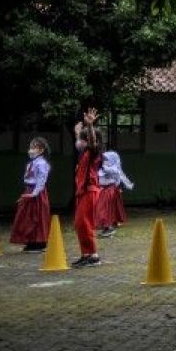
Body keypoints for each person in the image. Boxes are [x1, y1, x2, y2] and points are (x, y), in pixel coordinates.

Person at [71, 108, 103, 268]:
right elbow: (82, 144)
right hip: (82, 192)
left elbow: (91, 142)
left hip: (90, 191)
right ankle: (86, 254)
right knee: (79, 223)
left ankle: (94, 255)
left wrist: (90, 126)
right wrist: (78, 133)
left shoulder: (92, 152)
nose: (80, 142)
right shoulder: (84, 153)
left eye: (82, 140)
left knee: (84, 222)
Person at [11, 137, 51, 253]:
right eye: (30, 147)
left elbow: (41, 179)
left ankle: (39, 243)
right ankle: (30, 241)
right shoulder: (33, 163)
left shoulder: (42, 163)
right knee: (26, 217)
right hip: (29, 190)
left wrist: (35, 193)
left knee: (37, 217)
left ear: (41, 150)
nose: (31, 150)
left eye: (34, 148)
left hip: (37, 193)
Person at [96, 150, 133, 238]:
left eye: (106, 159)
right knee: (105, 209)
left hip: (109, 190)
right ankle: (108, 225)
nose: (104, 161)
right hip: (104, 190)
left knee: (104, 209)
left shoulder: (112, 169)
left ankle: (107, 227)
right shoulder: (102, 168)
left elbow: (118, 177)